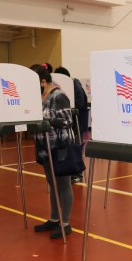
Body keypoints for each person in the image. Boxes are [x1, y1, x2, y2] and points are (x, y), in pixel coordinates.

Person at [30, 64, 75, 239]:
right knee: (52, 183)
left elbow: (66, 121)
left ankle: (65, 223)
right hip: (44, 146)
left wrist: (43, 120)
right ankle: (54, 219)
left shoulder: (59, 95)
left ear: (43, 81)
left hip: (59, 146)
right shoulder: (39, 96)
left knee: (63, 184)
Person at [54, 66, 89, 183]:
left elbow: (80, 104)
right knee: (70, 148)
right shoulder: (69, 86)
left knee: (75, 149)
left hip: (78, 124)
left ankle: (77, 174)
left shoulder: (75, 86)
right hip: (71, 124)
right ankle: (70, 173)